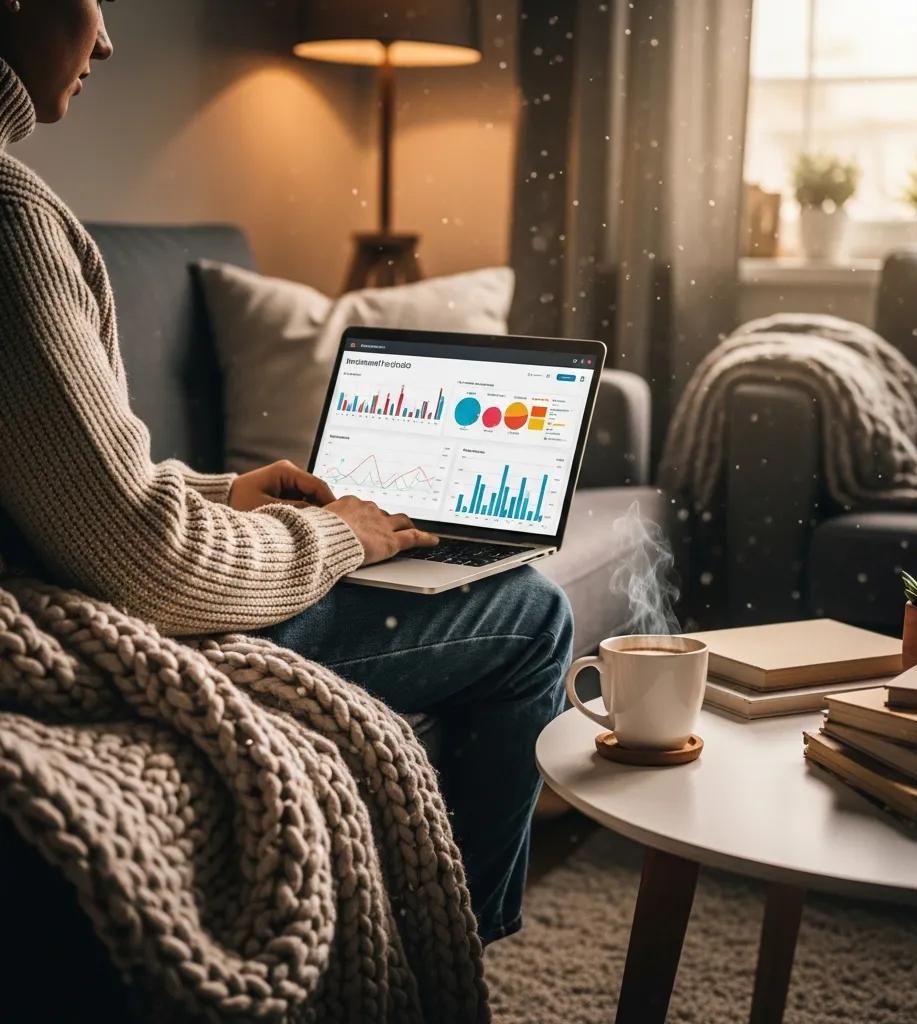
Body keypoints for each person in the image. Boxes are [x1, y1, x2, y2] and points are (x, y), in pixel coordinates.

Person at [0, 0, 572, 945]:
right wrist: (337, 534)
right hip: (82, 621)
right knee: (531, 613)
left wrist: (226, 494)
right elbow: (150, 567)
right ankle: (458, 951)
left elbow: (49, 483)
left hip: (72, 581)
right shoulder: (11, 217)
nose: (106, 40)